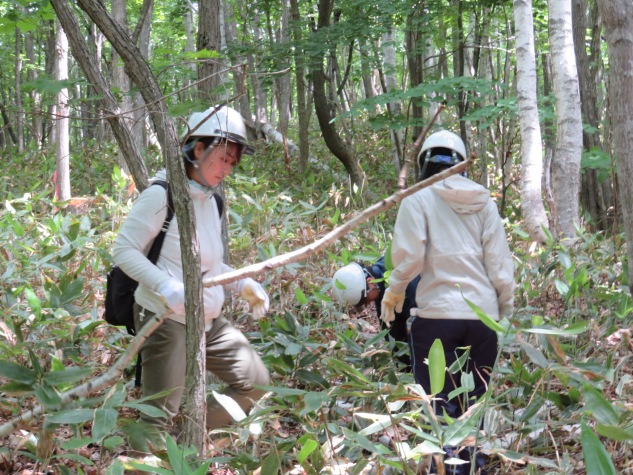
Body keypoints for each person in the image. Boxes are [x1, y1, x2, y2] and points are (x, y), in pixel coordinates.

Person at [112, 105, 271, 453]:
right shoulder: (161, 194)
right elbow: (123, 251)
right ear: (197, 149)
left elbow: (208, 266)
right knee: (157, 414)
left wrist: (240, 283)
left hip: (208, 320)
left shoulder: (211, 201)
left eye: (233, 162)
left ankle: (184, 445)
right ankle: (144, 459)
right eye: (222, 158)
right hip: (165, 319)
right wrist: (165, 285)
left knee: (255, 382)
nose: (226, 169)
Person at [381, 130, 515, 475]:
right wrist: (506, 309)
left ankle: (442, 467)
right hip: (481, 318)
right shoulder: (485, 201)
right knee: (474, 407)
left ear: (424, 163)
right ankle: (473, 467)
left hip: (436, 318)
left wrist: (395, 289)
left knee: (436, 406)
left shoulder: (417, 199)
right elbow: (499, 263)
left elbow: (408, 258)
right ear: (463, 164)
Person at [331, 257, 420, 368]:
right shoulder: (378, 288)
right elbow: (393, 335)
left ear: (370, 282)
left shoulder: (410, 282)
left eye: (365, 301)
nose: (368, 304)